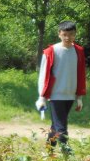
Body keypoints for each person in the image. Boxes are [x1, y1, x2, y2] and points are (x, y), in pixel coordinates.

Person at [36, 20, 86, 153]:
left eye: (71, 34)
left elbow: (81, 74)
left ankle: (48, 152)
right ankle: (67, 155)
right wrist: (41, 97)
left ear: (75, 34)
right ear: (59, 34)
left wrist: (79, 97)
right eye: (64, 34)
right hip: (55, 95)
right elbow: (43, 75)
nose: (68, 37)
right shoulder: (51, 51)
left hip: (70, 95)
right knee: (62, 127)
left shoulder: (79, 51)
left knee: (55, 127)